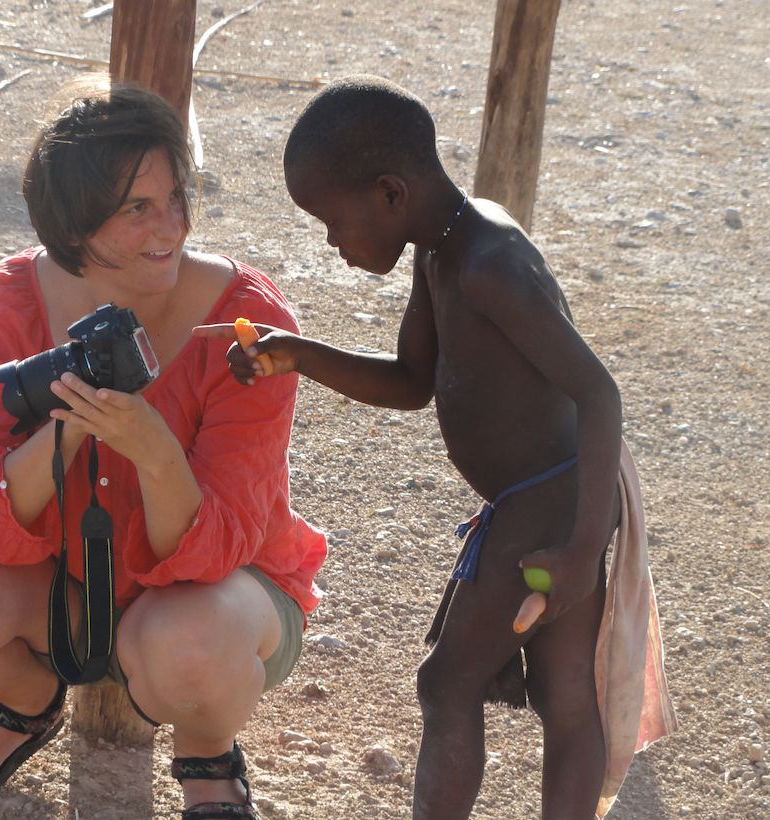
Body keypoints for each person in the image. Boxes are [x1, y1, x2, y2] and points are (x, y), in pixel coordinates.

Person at [194, 75, 674, 819]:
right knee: (563, 694)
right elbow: (413, 381)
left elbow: (598, 394)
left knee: (449, 683)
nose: (332, 241)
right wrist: (297, 354)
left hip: (552, 497)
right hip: (550, 495)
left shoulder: (488, 266)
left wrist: (582, 552)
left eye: (333, 221)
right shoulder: (440, 250)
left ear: (391, 193)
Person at [0, 76, 326, 818]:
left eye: (176, 196)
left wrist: (154, 452)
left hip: (214, 607)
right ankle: (25, 701)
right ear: (74, 221)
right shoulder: (4, 302)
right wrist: (72, 423)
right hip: (61, 596)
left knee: (189, 641)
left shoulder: (247, 321)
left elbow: (220, 547)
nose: (170, 227)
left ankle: (207, 748)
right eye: (136, 208)